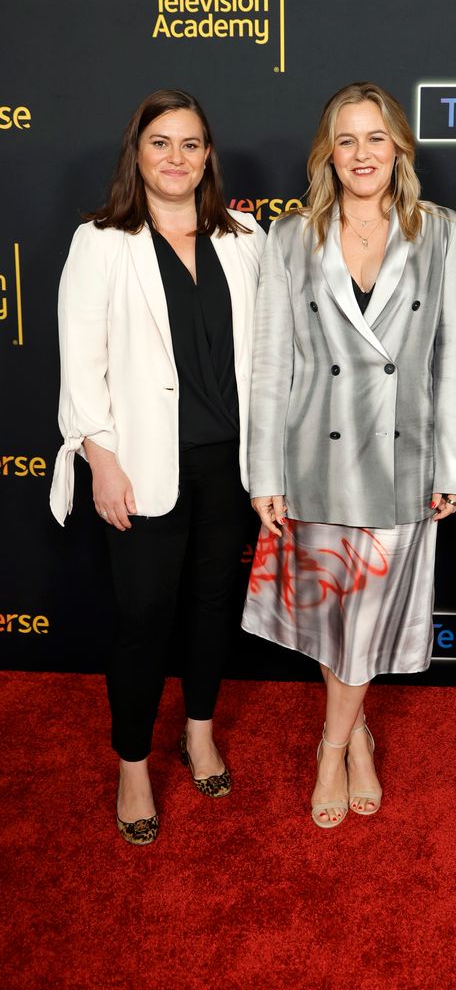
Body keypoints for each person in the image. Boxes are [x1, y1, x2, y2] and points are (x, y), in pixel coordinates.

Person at [242, 81, 456, 828]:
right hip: (314, 456)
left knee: (370, 614)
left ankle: (333, 745)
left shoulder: (441, 231)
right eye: (347, 140)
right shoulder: (291, 237)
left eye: (376, 138)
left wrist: (454, 465)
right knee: (337, 615)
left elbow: (450, 356)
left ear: (399, 147)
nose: (362, 154)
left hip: (402, 461)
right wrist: (265, 475)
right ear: (328, 154)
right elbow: (273, 365)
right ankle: (357, 733)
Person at [50, 89, 266, 845]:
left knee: (213, 608)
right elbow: (81, 366)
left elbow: (267, 359)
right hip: (140, 466)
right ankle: (134, 764)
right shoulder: (102, 240)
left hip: (227, 466)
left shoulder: (245, 236)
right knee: (143, 620)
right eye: (161, 143)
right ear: (136, 154)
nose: (177, 158)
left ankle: (199, 733)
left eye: (192, 144)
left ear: (209, 156)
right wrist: (99, 459)